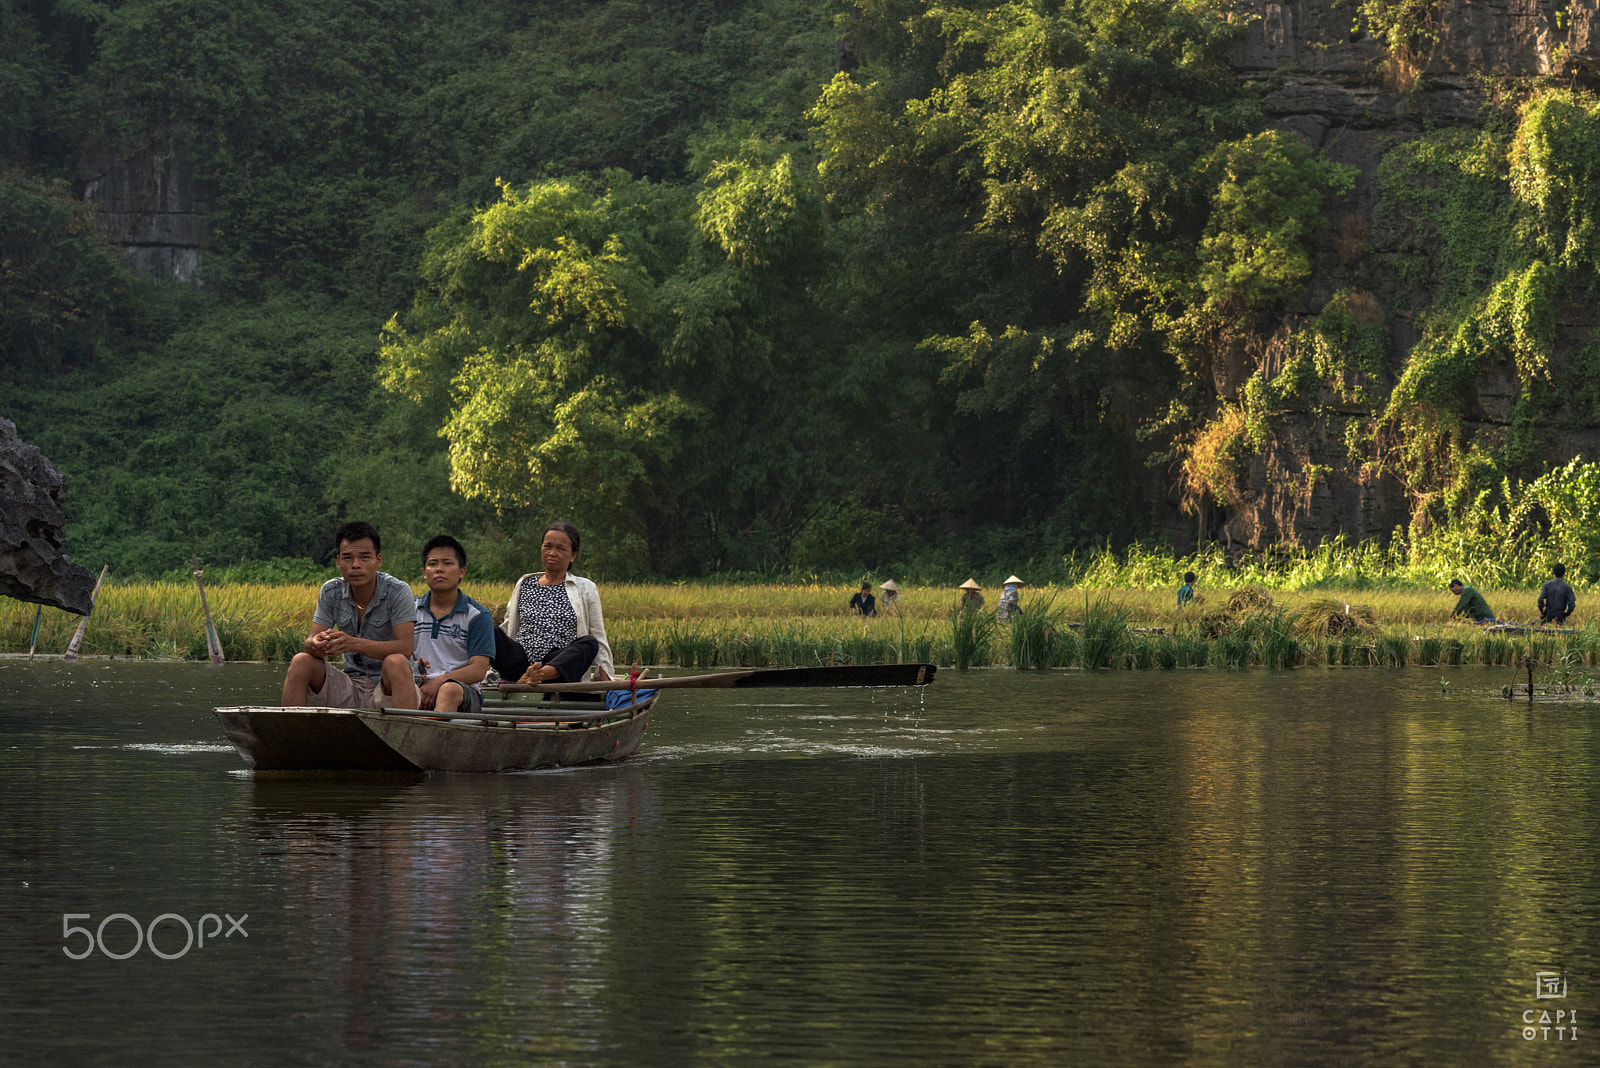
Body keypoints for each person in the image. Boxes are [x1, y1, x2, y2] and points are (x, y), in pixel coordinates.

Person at [281, 521, 419, 709]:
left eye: (364, 558)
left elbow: (405, 648)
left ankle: (404, 736)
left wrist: (353, 643)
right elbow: (310, 641)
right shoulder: (331, 591)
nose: (355, 565)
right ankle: (290, 732)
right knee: (301, 661)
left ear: (378, 560)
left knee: (396, 661)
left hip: (390, 687)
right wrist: (316, 644)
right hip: (351, 684)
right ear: (339, 562)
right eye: (348, 558)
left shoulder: (397, 591)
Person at [497, 521, 613, 684]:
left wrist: (606, 678)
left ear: (573, 555)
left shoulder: (585, 587)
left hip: (558, 667)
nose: (552, 553)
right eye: (548, 546)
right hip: (520, 664)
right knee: (489, 630)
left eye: (561, 548)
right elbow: (508, 626)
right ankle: (529, 675)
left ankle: (538, 675)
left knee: (589, 643)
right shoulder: (524, 583)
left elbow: (598, 635)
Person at [412, 535, 496, 714]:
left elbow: (478, 670)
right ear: (424, 572)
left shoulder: (477, 615)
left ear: (461, 572)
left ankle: (431, 740)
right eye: (433, 564)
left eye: (447, 563)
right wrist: (413, 668)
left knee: (448, 690)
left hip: (462, 692)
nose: (439, 569)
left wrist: (440, 681)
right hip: (417, 684)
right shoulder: (411, 611)